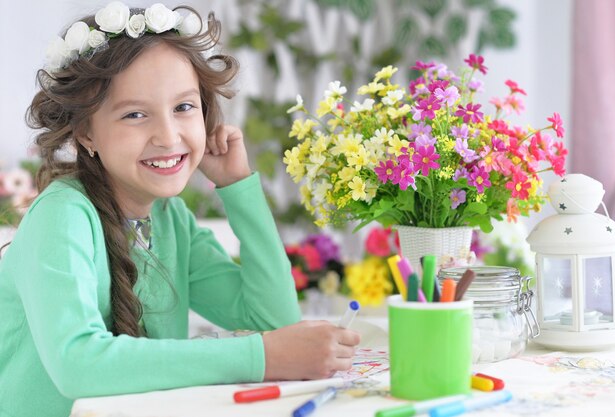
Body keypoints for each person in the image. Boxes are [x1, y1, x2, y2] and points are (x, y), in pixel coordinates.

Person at [0, 3, 360, 417]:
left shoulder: (171, 221)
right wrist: (263, 356)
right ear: (86, 133)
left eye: (184, 107)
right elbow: (77, 365)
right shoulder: (62, 216)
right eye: (135, 114)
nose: (168, 136)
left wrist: (237, 186)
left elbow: (273, 319)